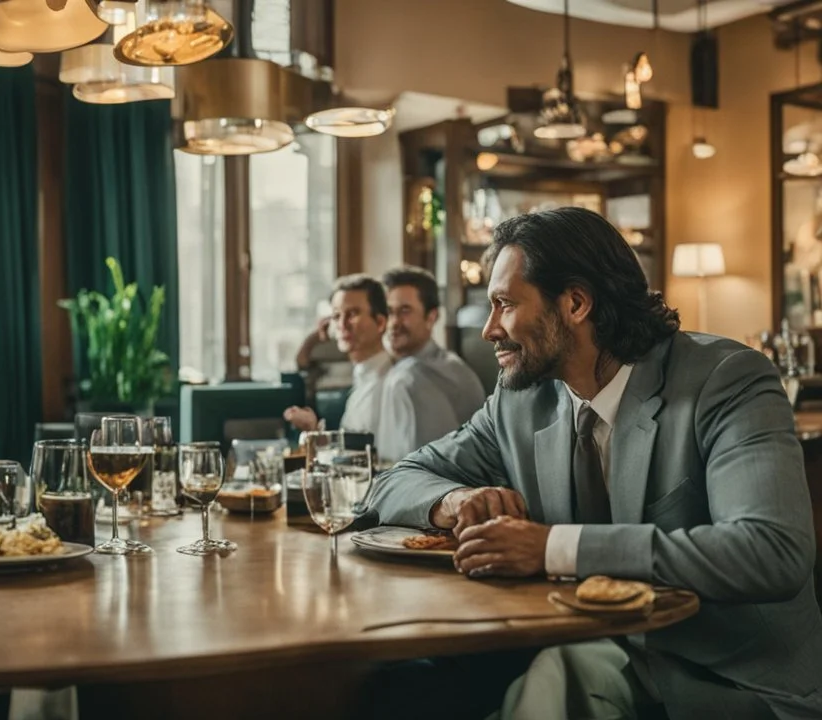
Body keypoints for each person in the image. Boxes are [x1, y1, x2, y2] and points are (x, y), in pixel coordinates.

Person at [369, 207, 822, 718]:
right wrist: (455, 499)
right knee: (399, 686)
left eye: (504, 305)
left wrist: (551, 547)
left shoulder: (725, 380)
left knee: (552, 679)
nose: (488, 330)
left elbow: (772, 551)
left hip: (734, 681)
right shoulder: (521, 401)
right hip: (588, 649)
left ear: (576, 303)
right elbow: (392, 482)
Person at [375, 266, 486, 461]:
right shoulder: (440, 364)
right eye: (389, 312)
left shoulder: (410, 377)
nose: (393, 322)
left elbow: (422, 471)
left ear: (431, 317)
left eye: (405, 311)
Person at [283, 274, 390, 437]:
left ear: (381, 323)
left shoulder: (392, 384)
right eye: (336, 316)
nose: (342, 324)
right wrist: (313, 430)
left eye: (353, 314)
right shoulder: (363, 377)